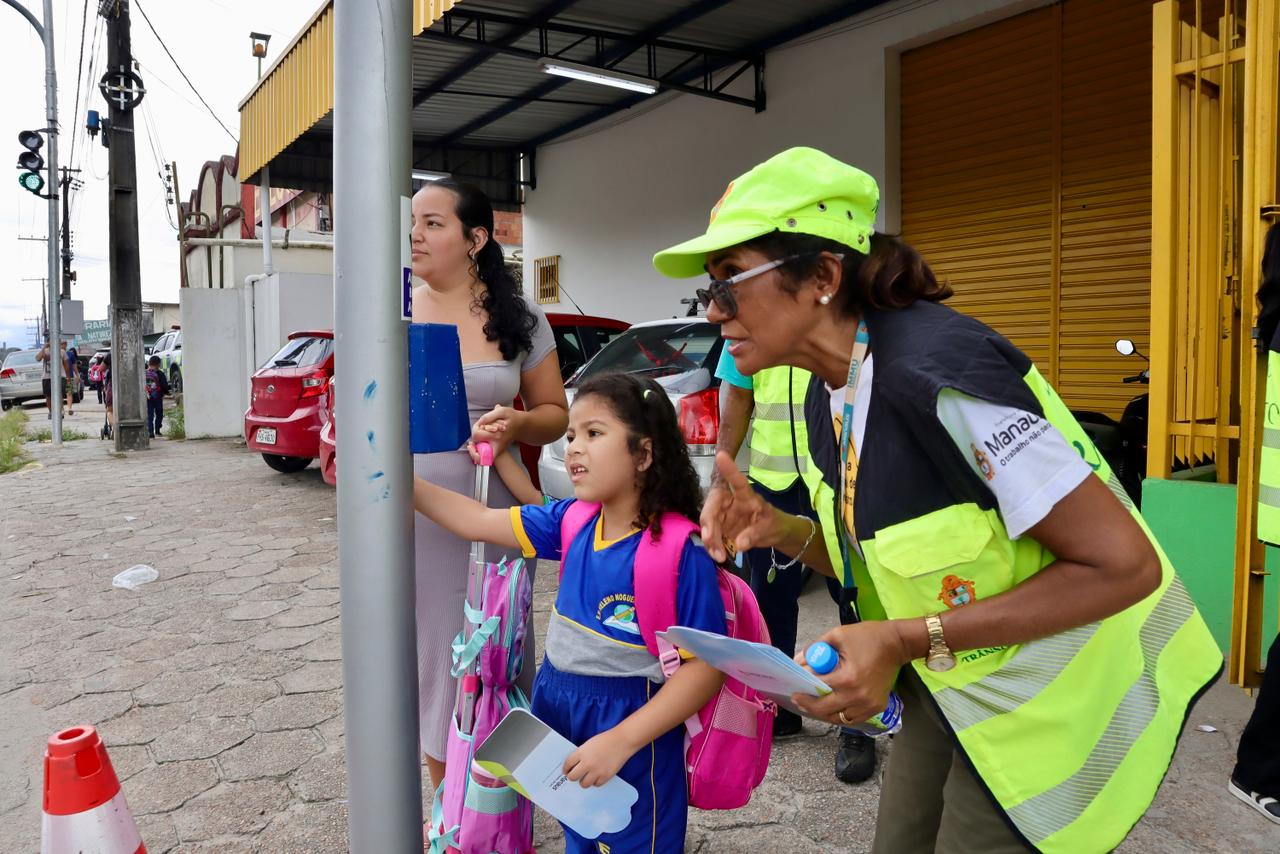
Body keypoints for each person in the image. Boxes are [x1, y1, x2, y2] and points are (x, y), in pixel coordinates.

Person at [655, 147, 1222, 853]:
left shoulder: (941, 378)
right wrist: (777, 529)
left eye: (730, 282)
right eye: (708, 289)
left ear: (824, 276)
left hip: (1054, 706)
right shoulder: (822, 390)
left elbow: (1124, 567)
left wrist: (901, 639)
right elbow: (878, 560)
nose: (712, 312)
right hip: (951, 689)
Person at [412, 372, 726, 853]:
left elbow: (703, 671)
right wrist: (394, 476)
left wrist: (620, 742)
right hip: (561, 721)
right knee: (582, 838)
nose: (575, 447)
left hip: (633, 733)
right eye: (572, 434)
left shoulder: (682, 553)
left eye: (594, 434)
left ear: (643, 454)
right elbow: (474, 520)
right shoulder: (572, 521)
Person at [410, 177, 568, 792]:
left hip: (498, 508)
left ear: (475, 239)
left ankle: (502, 800)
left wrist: (519, 421)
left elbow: (554, 410)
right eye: (415, 223)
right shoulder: (396, 307)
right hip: (421, 510)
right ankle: (451, 807)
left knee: (497, 645)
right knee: (437, 655)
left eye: (433, 223)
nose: (416, 235)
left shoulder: (520, 316)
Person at [711, 348, 875, 782]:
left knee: (852, 596)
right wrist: (720, 481)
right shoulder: (742, 326)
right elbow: (738, 400)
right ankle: (781, 707)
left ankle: (858, 722)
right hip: (772, 483)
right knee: (769, 601)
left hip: (836, 476)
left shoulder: (823, 315)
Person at [35, 339, 67, 419]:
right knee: (48, 396)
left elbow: (66, 365)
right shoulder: (45, 351)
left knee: (59, 394)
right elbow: (38, 358)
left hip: (60, 376)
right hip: (47, 377)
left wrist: (68, 376)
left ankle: (60, 411)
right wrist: (44, 347)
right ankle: (51, 412)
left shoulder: (62, 351)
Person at [145, 355, 170, 439]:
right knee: (159, 413)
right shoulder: (160, 373)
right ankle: (157, 430)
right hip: (158, 397)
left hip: (148, 397)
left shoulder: (144, 373)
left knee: (150, 414)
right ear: (158, 365)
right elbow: (164, 385)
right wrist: (166, 392)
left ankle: (150, 432)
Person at [64, 345, 78, 415]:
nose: (63, 345)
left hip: (70, 376)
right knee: (60, 393)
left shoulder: (70, 354)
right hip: (60, 377)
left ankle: (69, 408)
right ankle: (62, 409)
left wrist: (77, 375)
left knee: (69, 393)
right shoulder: (56, 353)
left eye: (64, 344)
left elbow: (74, 365)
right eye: (61, 344)